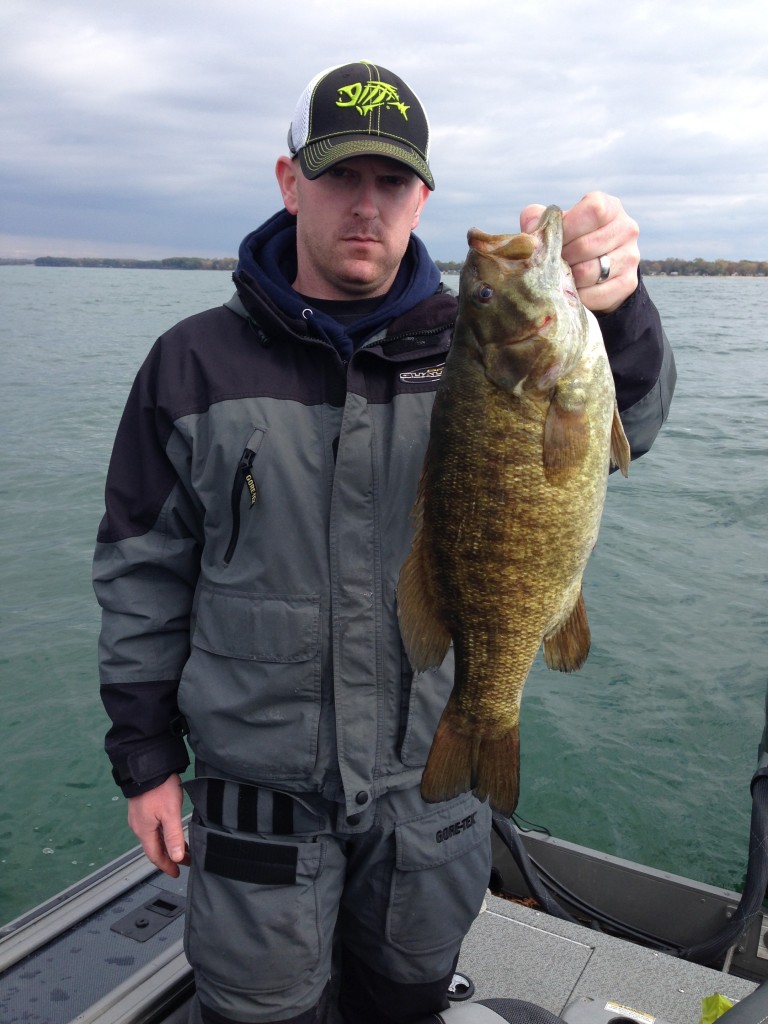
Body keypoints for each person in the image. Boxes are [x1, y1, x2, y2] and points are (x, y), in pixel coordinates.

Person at [94, 60, 676, 1024]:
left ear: (422, 197)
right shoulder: (190, 363)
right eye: (340, 176)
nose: (367, 205)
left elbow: (630, 427)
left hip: (428, 808)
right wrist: (145, 757)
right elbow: (140, 577)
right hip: (256, 812)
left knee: (407, 1001)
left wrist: (621, 312)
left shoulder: (475, 346)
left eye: (392, 181)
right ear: (289, 182)